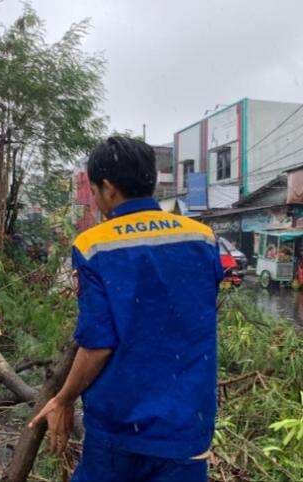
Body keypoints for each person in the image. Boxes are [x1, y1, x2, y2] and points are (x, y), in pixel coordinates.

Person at [30, 136, 223, 482]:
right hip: (187, 425)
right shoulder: (203, 238)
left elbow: (99, 344)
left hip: (121, 425)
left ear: (108, 187)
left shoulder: (94, 246)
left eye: (93, 189)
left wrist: (63, 398)